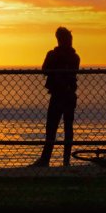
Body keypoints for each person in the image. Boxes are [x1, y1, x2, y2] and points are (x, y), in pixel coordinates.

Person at [33, 27, 80, 167]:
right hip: (68, 94)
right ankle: (65, 160)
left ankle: (47, 159)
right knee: (67, 128)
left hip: (59, 95)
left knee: (52, 128)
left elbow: (45, 70)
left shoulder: (54, 55)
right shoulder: (74, 56)